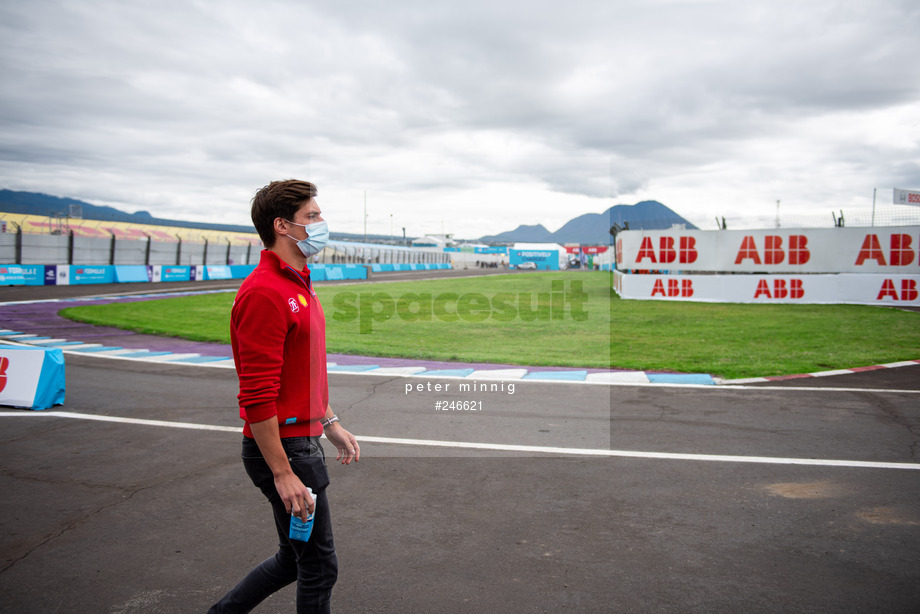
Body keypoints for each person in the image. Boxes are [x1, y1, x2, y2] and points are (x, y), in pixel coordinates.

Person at [209, 179, 360, 614]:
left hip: (301, 440)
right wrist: (282, 472)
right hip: (284, 450)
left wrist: (329, 422)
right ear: (283, 226)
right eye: (312, 216)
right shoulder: (264, 292)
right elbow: (257, 394)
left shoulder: (298, 284)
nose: (321, 223)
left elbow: (302, 371)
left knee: (296, 562)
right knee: (318, 567)